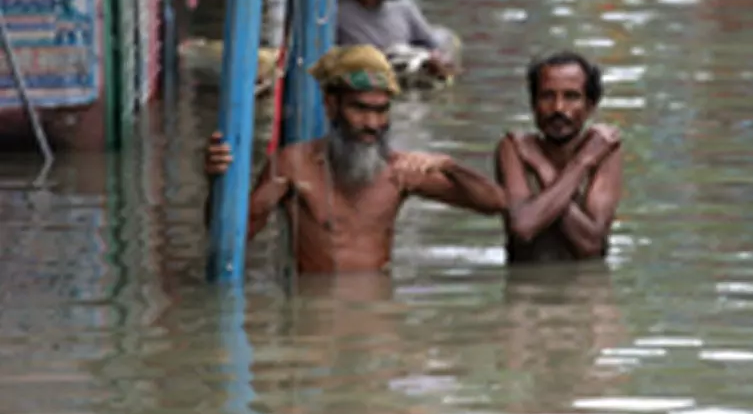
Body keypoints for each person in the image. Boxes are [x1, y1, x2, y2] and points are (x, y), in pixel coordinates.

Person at [203, 45, 505, 274]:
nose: (372, 123)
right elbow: (232, 237)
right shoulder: (293, 166)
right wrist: (217, 181)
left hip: (379, 321)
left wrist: (448, 165)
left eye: (381, 110)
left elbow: (495, 204)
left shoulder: (400, 171)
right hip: (316, 322)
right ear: (331, 105)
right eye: (360, 109)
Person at [493, 51, 623, 264]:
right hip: (527, 287)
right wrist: (580, 165)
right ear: (533, 104)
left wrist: (545, 166)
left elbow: (591, 245)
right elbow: (524, 227)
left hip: (586, 290)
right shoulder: (514, 147)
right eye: (547, 96)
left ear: (590, 106)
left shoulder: (603, 150)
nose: (558, 108)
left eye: (571, 97)